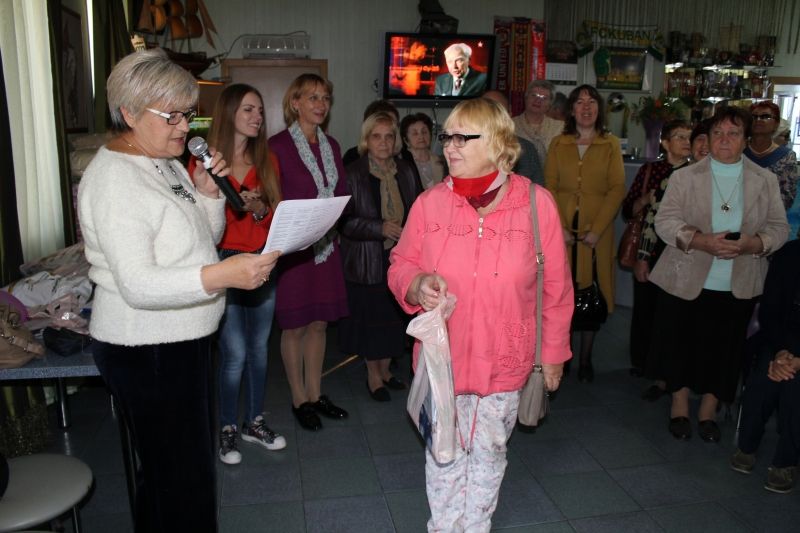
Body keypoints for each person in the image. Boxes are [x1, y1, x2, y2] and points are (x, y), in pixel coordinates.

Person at [78, 49, 280, 532]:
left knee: (177, 475)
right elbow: (139, 283)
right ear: (129, 113)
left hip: (181, 341)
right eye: (172, 116)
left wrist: (208, 197)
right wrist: (222, 277)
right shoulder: (116, 178)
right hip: (146, 346)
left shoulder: (163, 161)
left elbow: (200, 241)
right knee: (180, 480)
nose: (184, 127)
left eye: (188, 114)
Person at [388, 98, 573, 532]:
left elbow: (556, 288)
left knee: (489, 454)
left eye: (462, 138)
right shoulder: (430, 203)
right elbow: (401, 264)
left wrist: (553, 355)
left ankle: (475, 527)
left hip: (505, 358)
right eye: (447, 137)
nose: (449, 146)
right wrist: (415, 284)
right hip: (442, 359)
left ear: (496, 144)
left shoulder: (536, 204)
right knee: (443, 453)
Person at [649, 107, 789, 442]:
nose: (724, 139)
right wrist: (701, 241)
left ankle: (708, 410)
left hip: (738, 281)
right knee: (680, 344)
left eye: (733, 133)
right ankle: (679, 405)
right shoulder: (686, 176)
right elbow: (664, 222)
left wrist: (754, 244)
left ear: (745, 140)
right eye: (717, 133)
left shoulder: (764, 180)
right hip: (686, 277)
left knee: (724, 349)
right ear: (708, 138)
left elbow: (779, 228)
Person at [188, 84, 286, 464]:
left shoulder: (268, 160)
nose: (257, 117)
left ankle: (254, 422)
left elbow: (275, 219)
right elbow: (195, 222)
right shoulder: (204, 163)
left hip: (261, 261)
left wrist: (260, 209)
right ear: (229, 112)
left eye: (259, 110)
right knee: (235, 353)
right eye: (248, 109)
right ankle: (227, 427)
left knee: (259, 349)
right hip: (222, 262)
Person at [268, 74, 350, 432]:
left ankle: (316, 394)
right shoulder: (277, 146)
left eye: (325, 98)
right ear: (295, 103)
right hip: (294, 251)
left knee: (319, 324)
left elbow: (341, 191)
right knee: (295, 326)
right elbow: (272, 198)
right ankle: (299, 399)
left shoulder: (332, 145)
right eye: (312, 97)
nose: (321, 104)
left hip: (326, 247)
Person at [544, 84, 626, 383]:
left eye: (592, 102)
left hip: (597, 234)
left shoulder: (610, 144)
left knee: (593, 292)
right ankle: (562, 353)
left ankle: (587, 358)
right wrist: (559, 228)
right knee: (561, 292)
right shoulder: (558, 143)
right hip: (563, 232)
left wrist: (598, 229)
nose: (586, 107)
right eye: (580, 102)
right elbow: (550, 187)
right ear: (572, 110)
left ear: (599, 109)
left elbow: (617, 188)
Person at [339, 112, 421, 401]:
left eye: (389, 136)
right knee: (372, 321)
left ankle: (386, 371)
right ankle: (373, 377)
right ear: (366, 140)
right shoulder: (353, 172)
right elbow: (343, 221)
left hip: (401, 257)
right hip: (367, 260)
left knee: (393, 320)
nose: (384, 142)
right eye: (377, 136)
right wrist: (379, 228)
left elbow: (419, 208)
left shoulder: (406, 170)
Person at [621, 120, 692, 383]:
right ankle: (641, 361)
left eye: (690, 136)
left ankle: (664, 366)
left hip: (679, 249)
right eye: (680, 136)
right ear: (665, 143)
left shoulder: (695, 173)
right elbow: (628, 209)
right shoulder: (651, 170)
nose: (686, 142)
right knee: (645, 307)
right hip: (649, 246)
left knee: (671, 311)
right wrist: (646, 199)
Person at [730, 239, 800, 493]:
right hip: (782, 339)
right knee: (764, 376)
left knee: (795, 387)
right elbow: (769, 309)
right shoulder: (790, 253)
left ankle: (786, 462)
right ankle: (746, 446)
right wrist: (782, 351)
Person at [744, 101, 799, 211]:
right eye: (754, 117)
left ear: (776, 124)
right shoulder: (739, 152)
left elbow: (787, 198)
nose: (758, 120)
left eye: (765, 116)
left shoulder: (786, 157)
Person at [482, 89, 544, 184]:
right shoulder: (464, 146)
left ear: (509, 113)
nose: (492, 117)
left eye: (498, 112)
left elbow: (537, 186)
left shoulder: (526, 149)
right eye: (487, 110)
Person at [513, 80, 565, 164]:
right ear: (526, 97)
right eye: (534, 95)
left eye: (544, 98)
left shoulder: (559, 127)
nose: (538, 100)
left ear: (550, 104)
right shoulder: (510, 125)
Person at [399, 112, 446, 189]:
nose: (421, 136)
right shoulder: (401, 165)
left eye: (424, 132)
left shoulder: (442, 162)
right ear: (406, 140)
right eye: (415, 133)